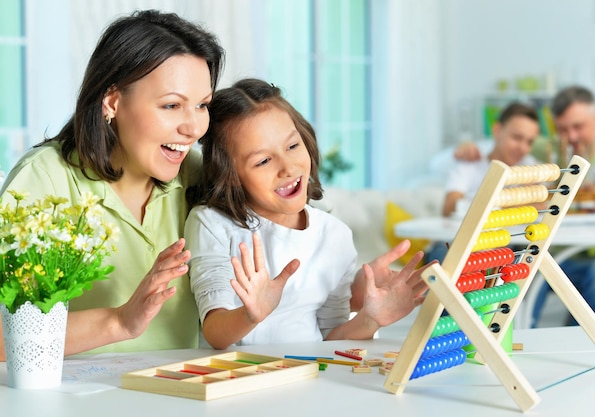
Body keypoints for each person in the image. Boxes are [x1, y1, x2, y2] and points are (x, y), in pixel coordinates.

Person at [0, 10, 225, 360]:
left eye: (202, 106)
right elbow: (2, 335)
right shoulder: (44, 180)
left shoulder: (198, 174)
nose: (194, 128)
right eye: (171, 105)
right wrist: (119, 322)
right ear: (112, 102)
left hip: (182, 397)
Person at [184, 78, 430, 349]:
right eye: (263, 161)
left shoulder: (334, 234)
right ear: (230, 176)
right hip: (237, 380)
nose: (288, 167)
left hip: (310, 379)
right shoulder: (211, 224)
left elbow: (330, 338)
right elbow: (214, 333)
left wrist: (370, 319)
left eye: (292, 146)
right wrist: (250, 314)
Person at [452, 86, 595, 326]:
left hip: (583, 255)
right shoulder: (545, 148)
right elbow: (506, 141)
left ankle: (579, 344)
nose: (571, 137)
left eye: (578, 127)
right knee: (528, 265)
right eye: (563, 129)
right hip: (536, 249)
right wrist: (469, 147)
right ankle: (519, 333)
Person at [426, 102, 541, 263]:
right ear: (497, 131)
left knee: (527, 262)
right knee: (445, 259)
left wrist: (481, 206)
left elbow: (542, 205)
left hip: (505, 249)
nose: (523, 148)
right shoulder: (470, 163)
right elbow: (450, 206)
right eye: (517, 137)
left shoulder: (530, 168)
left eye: (529, 142)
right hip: (458, 245)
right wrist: (513, 205)